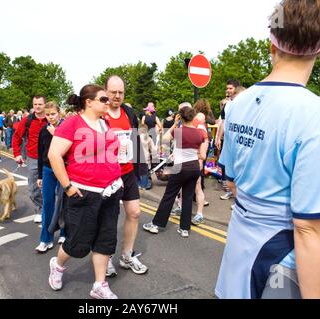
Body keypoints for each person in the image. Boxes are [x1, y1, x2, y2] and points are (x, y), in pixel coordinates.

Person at [215, 0, 320, 299]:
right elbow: (309, 228)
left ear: (271, 42)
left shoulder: (237, 105)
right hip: (281, 256)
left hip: (241, 245)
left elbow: (232, 181)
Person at [47, 84, 123, 299]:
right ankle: (58, 265)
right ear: (89, 102)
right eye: (104, 99)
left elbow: (110, 153)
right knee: (78, 243)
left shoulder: (105, 124)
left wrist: (118, 178)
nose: (109, 103)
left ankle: (100, 284)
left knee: (105, 240)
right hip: (84, 193)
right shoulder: (72, 123)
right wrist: (68, 186)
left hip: (110, 191)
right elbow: (54, 155)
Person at [103, 75, 149, 277]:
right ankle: (105, 259)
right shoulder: (100, 114)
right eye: (113, 92)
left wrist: (142, 168)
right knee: (108, 219)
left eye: (120, 92)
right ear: (105, 92)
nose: (117, 96)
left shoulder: (129, 112)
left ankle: (127, 255)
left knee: (135, 213)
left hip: (127, 172)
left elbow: (135, 139)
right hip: (107, 175)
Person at [143, 104, 207, 238]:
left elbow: (164, 139)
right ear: (193, 117)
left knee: (169, 196)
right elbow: (202, 155)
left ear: (180, 117)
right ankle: (184, 229)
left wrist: (175, 124)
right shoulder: (200, 133)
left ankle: (157, 224)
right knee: (188, 197)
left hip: (179, 167)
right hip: (194, 167)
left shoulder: (178, 131)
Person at [12, 96, 48, 224]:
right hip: (33, 158)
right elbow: (16, 137)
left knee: (53, 189)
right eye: (35, 104)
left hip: (51, 159)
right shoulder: (27, 121)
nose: (37, 107)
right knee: (33, 190)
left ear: (45, 105)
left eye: (40, 104)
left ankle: (50, 211)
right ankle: (40, 210)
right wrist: (17, 154)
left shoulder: (51, 119)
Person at [35, 101, 65, 253]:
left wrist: (57, 134)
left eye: (53, 114)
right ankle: (46, 239)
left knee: (63, 202)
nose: (50, 117)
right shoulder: (43, 130)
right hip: (48, 169)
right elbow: (40, 154)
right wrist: (40, 175)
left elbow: (70, 151)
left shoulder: (65, 128)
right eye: (47, 115)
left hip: (64, 169)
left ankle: (65, 233)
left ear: (59, 113)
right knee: (48, 203)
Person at [216, 79, 240, 201]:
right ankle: (230, 191)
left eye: (230, 88)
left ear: (236, 88)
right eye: (227, 88)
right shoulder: (227, 104)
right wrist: (219, 138)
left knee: (238, 167)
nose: (228, 90)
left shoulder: (242, 102)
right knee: (227, 166)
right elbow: (223, 123)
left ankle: (239, 197)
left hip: (239, 141)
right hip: (228, 140)